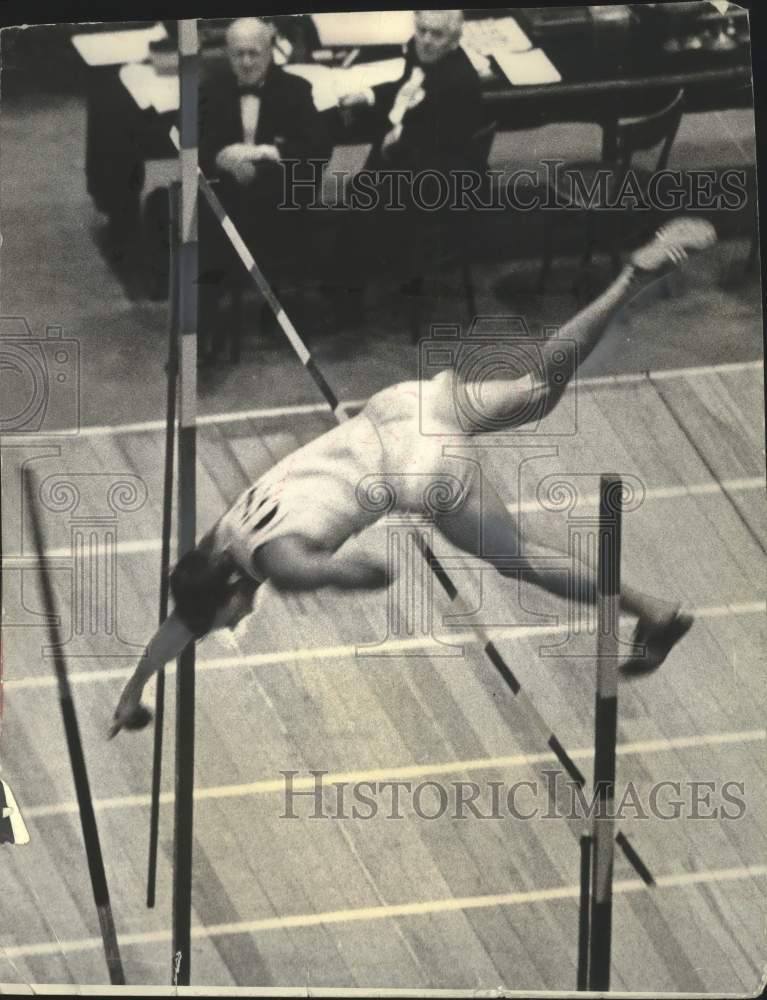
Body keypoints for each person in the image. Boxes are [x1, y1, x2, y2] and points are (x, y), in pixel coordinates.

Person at [110, 217, 716, 737]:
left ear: (224, 595)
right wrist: (133, 689)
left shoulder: (271, 564)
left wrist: (356, 575)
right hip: (401, 407)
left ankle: (653, 609)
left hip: (417, 467)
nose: (234, 625)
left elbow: (325, 571)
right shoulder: (220, 541)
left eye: (225, 622)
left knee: (516, 558)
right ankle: (629, 280)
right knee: (537, 392)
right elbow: (179, 624)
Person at [327, 10, 485, 319]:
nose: (425, 40)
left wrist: (394, 148)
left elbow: (442, 150)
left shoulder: (459, 82)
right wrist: (368, 94)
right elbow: (406, 88)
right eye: (422, 30)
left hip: (439, 178)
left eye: (436, 34)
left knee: (361, 196)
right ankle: (355, 279)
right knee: (362, 185)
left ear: (454, 40)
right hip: (415, 158)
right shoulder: (421, 53)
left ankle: (346, 300)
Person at [198, 17, 332, 357]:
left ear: (270, 52)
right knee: (200, 216)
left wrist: (267, 155)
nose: (246, 62)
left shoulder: (296, 90)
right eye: (238, 54)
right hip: (228, 206)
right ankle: (206, 330)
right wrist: (220, 157)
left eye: (254, 54)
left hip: (280, 210)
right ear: (227, 55)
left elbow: (318, 149)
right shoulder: (210, 90)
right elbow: (192, 144)